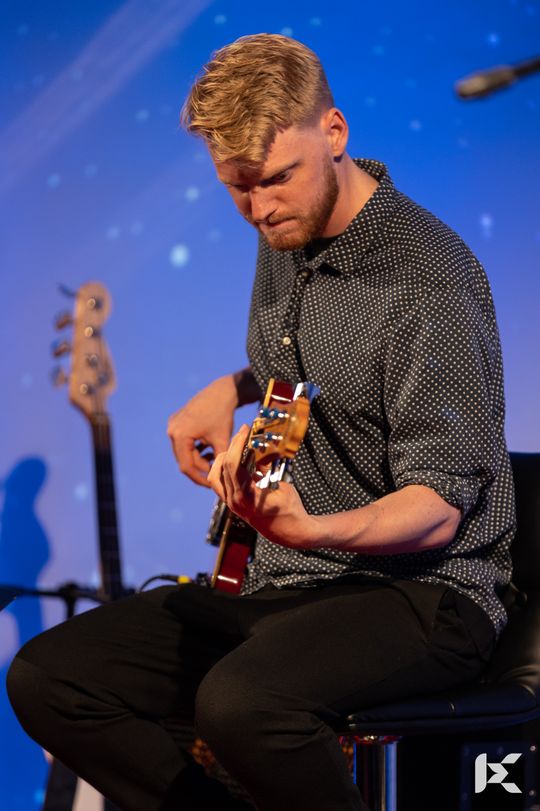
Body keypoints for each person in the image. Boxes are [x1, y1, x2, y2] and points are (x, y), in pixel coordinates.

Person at [7, 34, 515, 811]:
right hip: (291, 583)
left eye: (277, 178)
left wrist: (310, 529)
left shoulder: (426, 282)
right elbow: (332, 357)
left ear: (335, 132)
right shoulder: (284, 229)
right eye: (237, 188)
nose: (260, 207)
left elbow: (441, 506)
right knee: (50, 677)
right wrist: (232, 386)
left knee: (241, 704)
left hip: (426, 593)